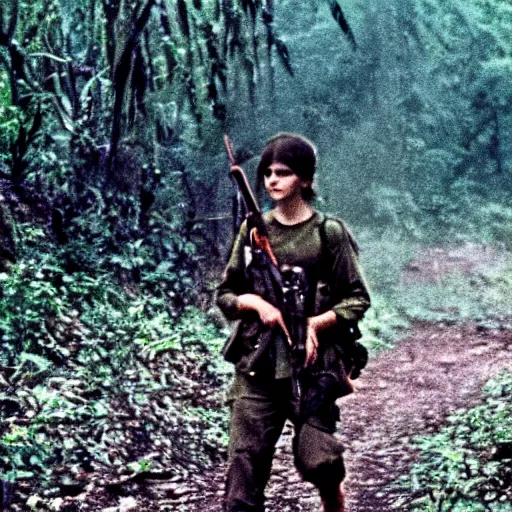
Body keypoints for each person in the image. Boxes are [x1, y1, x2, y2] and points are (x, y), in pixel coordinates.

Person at [216, 133, 371, 512]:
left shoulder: (327, 232)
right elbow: (226, 294)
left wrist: (317, 324)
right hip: (258, 365)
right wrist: (253, 302)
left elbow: (357, 298)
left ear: (304, 179)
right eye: (267, 172)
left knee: (320, 461)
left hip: (311, 367)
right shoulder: (253, 232)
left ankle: (334, 501)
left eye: (282, 173)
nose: (272, 180)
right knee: (243, 474)